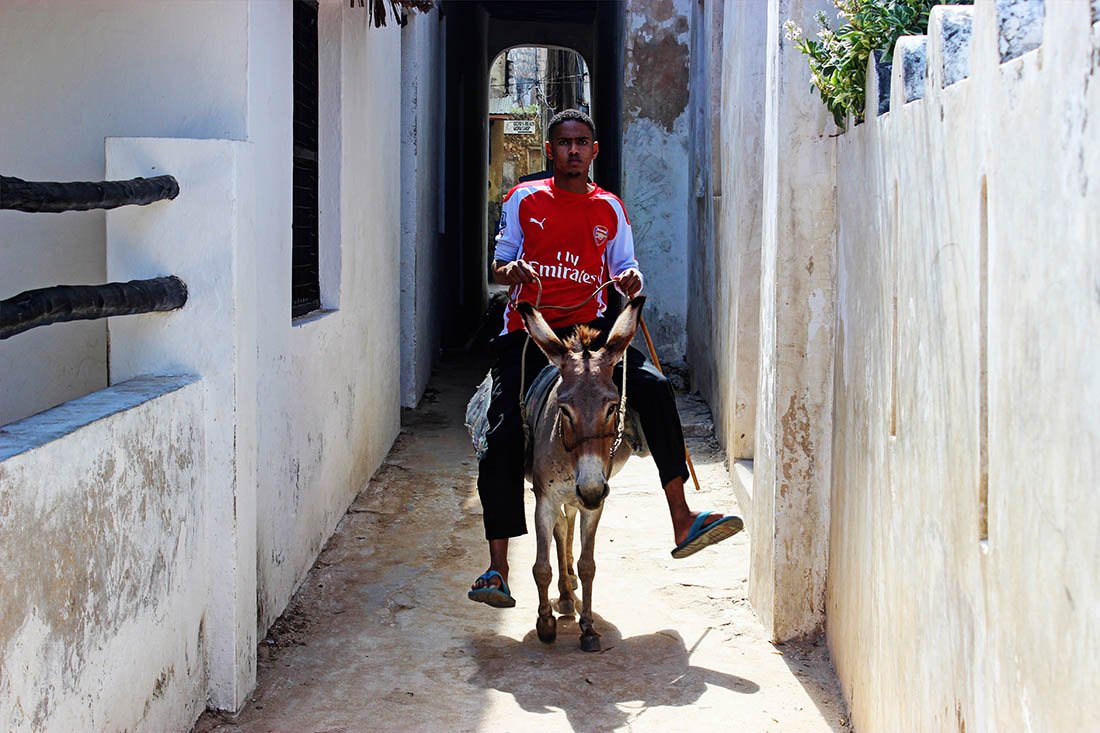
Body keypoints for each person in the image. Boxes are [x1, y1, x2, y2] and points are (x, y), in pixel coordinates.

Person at [468, 109, 742, 608]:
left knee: (656, 388)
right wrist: (514, 270)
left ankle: (683, 518)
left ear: (594, 151)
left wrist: (631, 280)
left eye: (582, 142)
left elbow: (625, 265)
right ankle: (497, 567)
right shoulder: (524, 199)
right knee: (502, 430)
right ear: (550, 151)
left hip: (589, 337)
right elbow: (499, 260)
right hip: (532, 336)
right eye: (564, 143)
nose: (573, 150)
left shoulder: (609, 208)